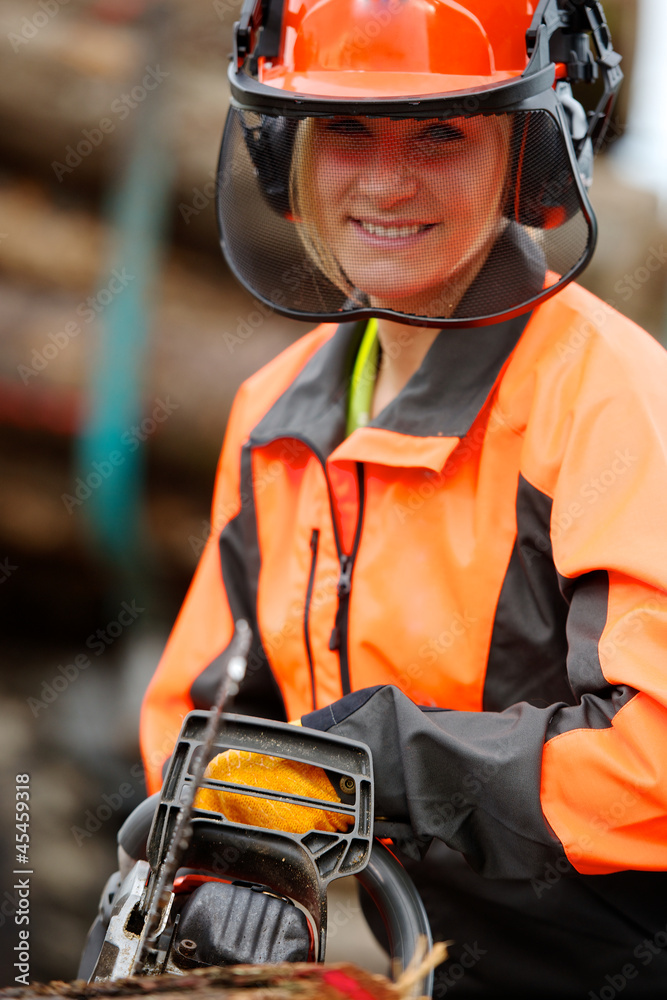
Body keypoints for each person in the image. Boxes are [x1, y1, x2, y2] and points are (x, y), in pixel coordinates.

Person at [140, 1, 667, 996]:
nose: (386, 180)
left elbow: (656, 769)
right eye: (346, 127)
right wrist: (225, 852)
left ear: (531, 160)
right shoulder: (275, 415)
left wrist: (385, 761)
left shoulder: (612, 404)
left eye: (440, 130)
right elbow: (195, 713)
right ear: (277, 149)